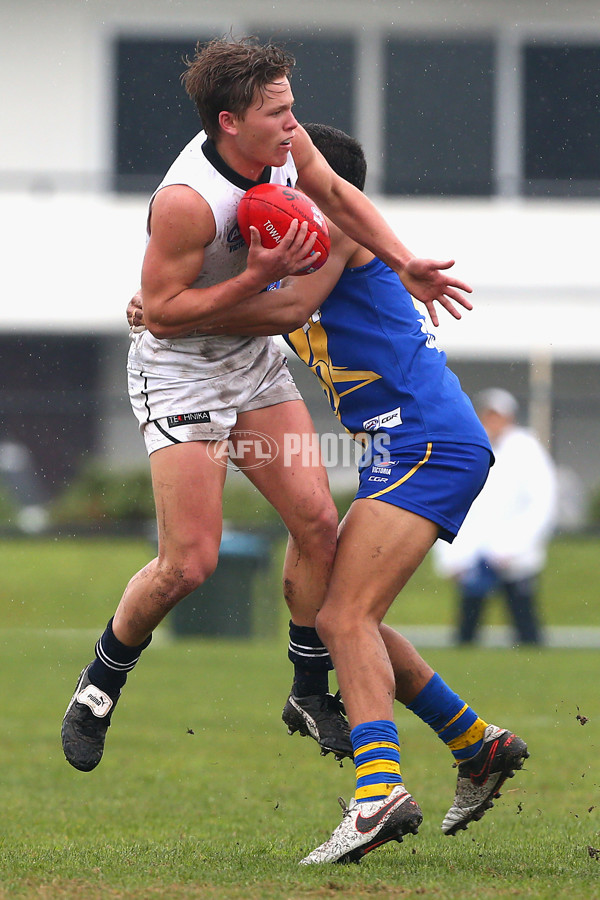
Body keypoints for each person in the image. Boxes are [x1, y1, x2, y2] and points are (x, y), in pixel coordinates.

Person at [61, 37, 473, 779]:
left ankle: (309, 690)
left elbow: (343, 197)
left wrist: (403, 257)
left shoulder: (292, 149)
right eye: (277, 110)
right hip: (180, 373)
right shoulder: (189, 202)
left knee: (318, 523)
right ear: (229, 120)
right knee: (190, 564)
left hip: (251, 365)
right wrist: (259, 276)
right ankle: (101, 682)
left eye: (292, 105)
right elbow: (162, 314)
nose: (294, 122)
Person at [128, 123, 529, 865]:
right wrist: (163, 306)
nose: (265, 197)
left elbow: (275, 313)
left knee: (341, 614)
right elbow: (255, 303)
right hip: (402, 444)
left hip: (425, 441)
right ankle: (477, 744)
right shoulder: (309, 253)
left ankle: (378, 794)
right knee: (341, 611)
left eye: (282, 182)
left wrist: (171, 310)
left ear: (311, 191)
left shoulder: (337, 234)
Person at [434, 387, 558, 645]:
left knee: (525, 624)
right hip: (473, 553)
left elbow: (542, 503)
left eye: (497, 416)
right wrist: (453, 556)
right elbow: (454, 501)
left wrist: (514, 546)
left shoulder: (527, 449)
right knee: (467, 628)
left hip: (513, 553)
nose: (492, 422)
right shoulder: (469, 446)